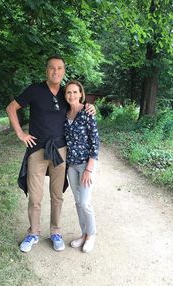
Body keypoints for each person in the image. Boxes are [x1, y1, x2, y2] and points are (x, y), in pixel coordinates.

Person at [6, 56, 95, 253]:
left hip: (60, 150)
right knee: (35, 196)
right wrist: (21, 133)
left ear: (64, 71)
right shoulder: (34, 90)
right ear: (46, 70)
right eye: (52, 68)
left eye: (59, 68)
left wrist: (90, 106)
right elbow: (11, 108)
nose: (55, 71)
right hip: (37, 149)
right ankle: (33, 233)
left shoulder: (66, 93)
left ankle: (55, 232)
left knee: (57, 195)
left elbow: (78, 106)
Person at [64, 80, 99, 253]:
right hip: (71, 165)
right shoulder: (64, 114)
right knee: (78, 202)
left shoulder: (87, 112)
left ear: (81, 94)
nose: (72, 95)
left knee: (85, 202)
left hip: (86, 164)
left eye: (75, 92)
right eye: (68, 92)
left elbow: (95, 142)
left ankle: (92, 234)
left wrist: (89, 169)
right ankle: (84, 233)